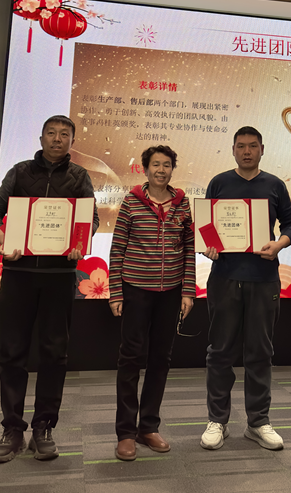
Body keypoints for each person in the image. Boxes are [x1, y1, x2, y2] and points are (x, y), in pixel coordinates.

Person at [0, 115, 99, 464]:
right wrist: (5, 240)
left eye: (64, 134)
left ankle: (44, 427)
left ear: (72, 142)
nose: (57, 139)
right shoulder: (20, 172)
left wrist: (81, 242)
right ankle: (12, 429)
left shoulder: (79, 176)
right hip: (18, 275)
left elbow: (91, 219)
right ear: (41, 138)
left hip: (58, 277)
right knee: (12, 353)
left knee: (54, 354)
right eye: (51, 133)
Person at [200, 126, 291, 451]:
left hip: (263, 278)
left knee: (260, 352)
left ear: (262, 150)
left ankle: (258, 423)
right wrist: (209, 247)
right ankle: (217, 421)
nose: (246, 151)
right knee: (220, 352)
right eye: (241, 146)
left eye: (252, 146)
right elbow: (205, 225)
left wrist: (279, 244)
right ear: (233, 150)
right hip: (225, 278)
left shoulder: (275, 185)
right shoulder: (219, 183)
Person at [108, 145, 196, 461]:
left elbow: (189, 249)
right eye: (156, 164)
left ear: (172, 169)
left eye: (167, 165)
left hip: (170, 292)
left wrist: (188, 291)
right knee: (130, 359)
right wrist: (115, 292)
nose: (161, 170)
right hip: (135, 290)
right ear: (145, 169)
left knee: (160, 359)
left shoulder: (182, 204)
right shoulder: (131, 202)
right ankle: (125, 432)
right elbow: (117, 249)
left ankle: (148, 427)